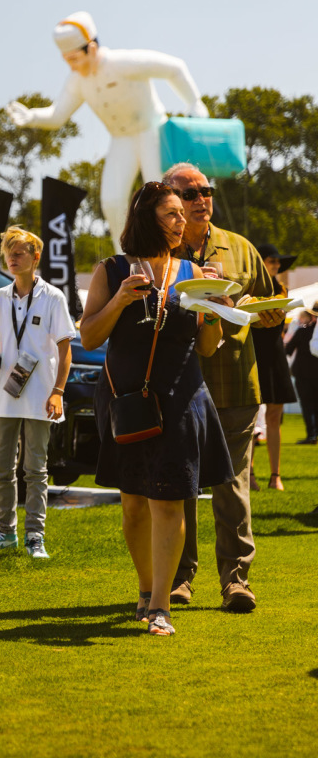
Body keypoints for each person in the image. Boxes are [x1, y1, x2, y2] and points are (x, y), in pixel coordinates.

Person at [81, 181, 232, 636]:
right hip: (126, 402)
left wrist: (213, 313)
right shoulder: (110, 269)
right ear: (147, 218)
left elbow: (208, 347)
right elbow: (88, 336)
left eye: (182, 214)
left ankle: (161, 606)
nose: (182, 220)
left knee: (169, 505)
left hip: (181, 399)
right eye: (171, 214)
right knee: (133, 507)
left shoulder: (194, 270)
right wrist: (122, 298)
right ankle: (146, 589)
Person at [164, 163, 280, 613]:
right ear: (168, 199)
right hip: (178, 384)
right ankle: (178, 579)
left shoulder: (240, 247)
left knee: (233, 487)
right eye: (188, 192)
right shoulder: (159, 251)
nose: (200, 199)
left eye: (205, 190)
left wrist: (269, 312)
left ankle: (236, 581)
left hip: (234, 380)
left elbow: (272, 298)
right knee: (182, 486)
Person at [7, 11, 209, 251]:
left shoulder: (121, 63)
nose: (72, 66)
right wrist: (31, 116)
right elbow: (58, 115)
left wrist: (194, 101)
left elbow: (174, 67)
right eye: (67, 60)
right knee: (112, 201)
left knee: (163, 196)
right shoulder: (78, 80)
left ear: (91, 48)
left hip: (151, 132)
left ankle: (176, 251)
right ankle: (125, 256)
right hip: (121, 139)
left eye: (74, 59)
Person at [0, 227, 75, 559]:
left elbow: (65, 350)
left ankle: (35, 536)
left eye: (19, 253)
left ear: (36, 257)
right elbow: (2, 342)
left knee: (35, 468)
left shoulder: (53, 297)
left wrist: (58, 391)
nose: (12, 259)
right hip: (6, 393)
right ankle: (5, 531)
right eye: (9, 252)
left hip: (40, 394)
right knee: (2, 467)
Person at [249, 244, 297, 490]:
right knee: (250, 416)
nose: (276, 265)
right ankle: (250, 474)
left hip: (276, 354)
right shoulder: (251, 288)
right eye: (271, 261)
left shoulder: (283, 289)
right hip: (253, 354)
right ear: (261, 263)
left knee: (275, 415)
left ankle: (275, 475)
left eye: (278, 262)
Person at [285, 305, 318, 444]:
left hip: (302, 374)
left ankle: (311, 434)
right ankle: (314, 434)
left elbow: (288, 349)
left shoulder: (301, 331)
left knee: (306, 405)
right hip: (313, 373)